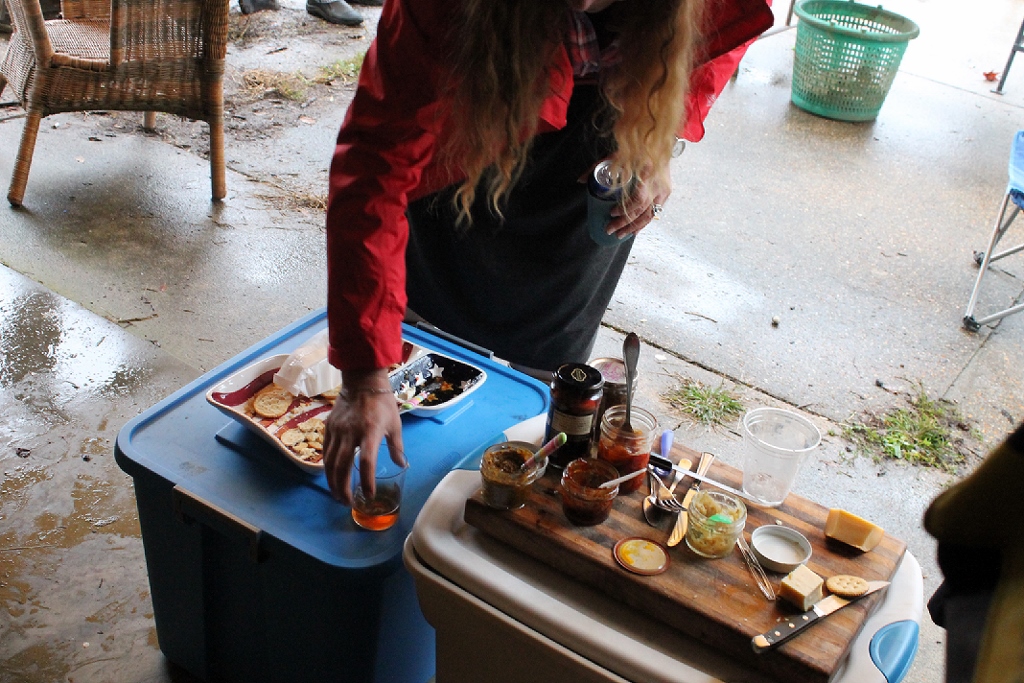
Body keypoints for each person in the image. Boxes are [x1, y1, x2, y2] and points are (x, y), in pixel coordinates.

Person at [321, 0, 774, 504]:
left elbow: (721, 29)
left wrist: (660, 135)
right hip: (467, 141)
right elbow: (373, 166)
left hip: (591, 177)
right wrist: (365, 374)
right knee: (423, 359)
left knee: (539, 400)